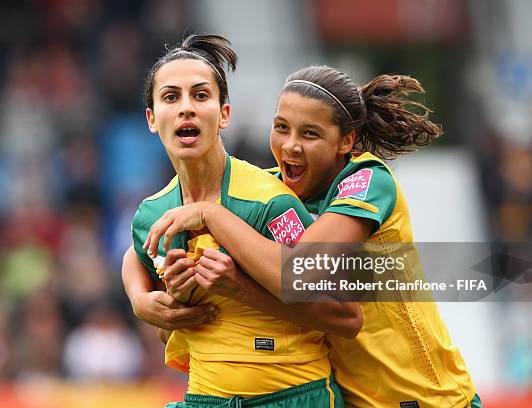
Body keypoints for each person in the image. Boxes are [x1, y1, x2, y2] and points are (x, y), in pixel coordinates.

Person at [144, 65, 483, 408]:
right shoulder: (273, 192)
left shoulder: (367, 181)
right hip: (345, 399)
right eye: (281, 128)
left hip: (428, 399)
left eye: (310, 134)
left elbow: (297, 272)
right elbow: (136, 252)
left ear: (345, 141)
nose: (290, 146)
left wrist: (212, 214)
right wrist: (142, 300)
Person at [122, 34, 355, 407]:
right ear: (152, 118)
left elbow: (344, 312)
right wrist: (160, 304)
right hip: (204, 399)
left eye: (200, 96)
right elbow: (180, 333)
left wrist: (241, 287)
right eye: (171, 97)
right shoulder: (151, 215)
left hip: (292, 396)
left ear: (224, 113)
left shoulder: (270, 201)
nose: (186, 108)